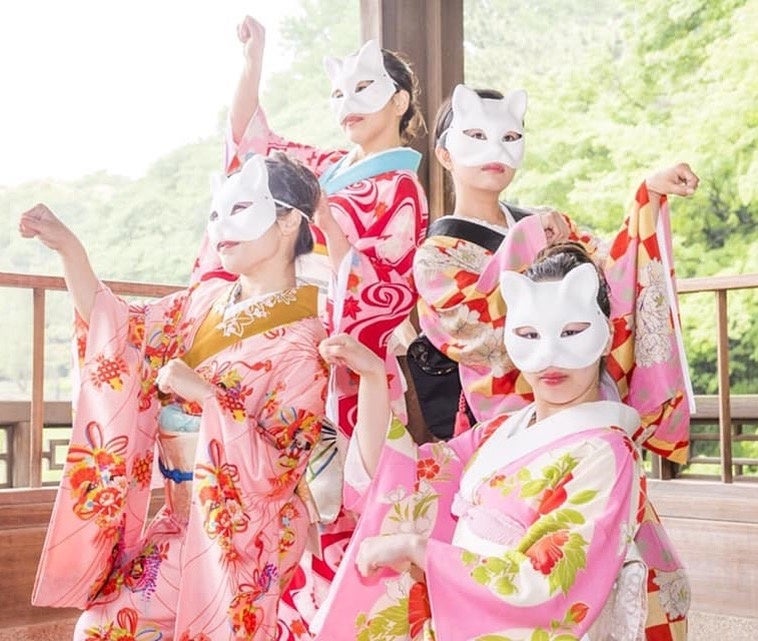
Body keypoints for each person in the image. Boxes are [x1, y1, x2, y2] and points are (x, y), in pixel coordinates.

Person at [22, 154, 329, 641]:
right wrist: (70, 251)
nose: (220, 227)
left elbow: (278, 468)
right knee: (104, 625)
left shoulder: (306, 342)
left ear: (290, 219)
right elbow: (121, 334)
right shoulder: (204, 300)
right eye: (215, 213)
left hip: (246, 534)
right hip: (183, 518)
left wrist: (206, 396)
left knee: (106, 629)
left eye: (239, 209)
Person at [314, 242, 689, 641]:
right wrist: (373, 379)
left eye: (571, 333)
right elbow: (403, 480)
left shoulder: (608, 453)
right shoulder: (498, 433)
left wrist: (419, 550)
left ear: (605, 334)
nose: (550, 356)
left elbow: (550, 585)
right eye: (529, 334)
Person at [198, 17, 430, 634]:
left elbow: (389, 283)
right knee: (284, 496)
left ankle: (342, 618)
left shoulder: (402, 188)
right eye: (337, 94)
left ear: (400, 102)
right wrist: (254, 59)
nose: (345, 103)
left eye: (363, 89)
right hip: (291, 350)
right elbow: (253, 142)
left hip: (349, 361)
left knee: (346, 501)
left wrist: (326, 226)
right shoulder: (327, 166)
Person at [413, 84, 699, 466]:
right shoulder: (436, 256)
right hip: (509, 422)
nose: (495, 151)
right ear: (445, 154)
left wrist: (646, 198)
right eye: (476, 136)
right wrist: (526, 240)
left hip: (586, 407)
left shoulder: (548, 222)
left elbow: (611, 282)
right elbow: (478, 335)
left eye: (510, 138)